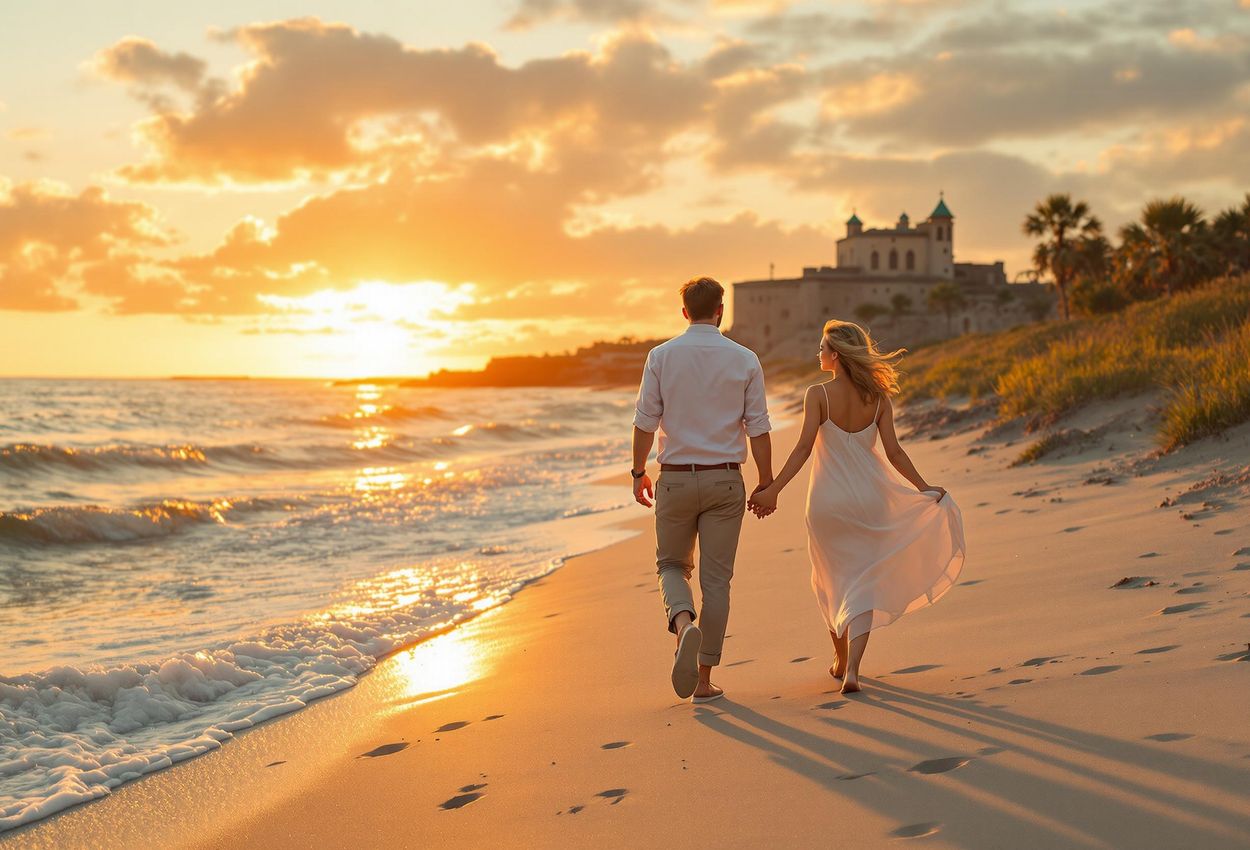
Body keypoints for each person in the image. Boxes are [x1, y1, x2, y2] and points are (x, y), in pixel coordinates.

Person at [747, 319, 965, 694]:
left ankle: (840, 658)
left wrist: (774, 490)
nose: (818, 353)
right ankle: (853, 670)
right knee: (863, 581)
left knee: (829, 579)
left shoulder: (817, 394)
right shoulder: (878, 398)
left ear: (836, 355)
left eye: (822, 348)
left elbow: (802, 450)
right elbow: (894, 452)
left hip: (827, 502)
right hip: (870, 499)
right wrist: (923, 487)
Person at [631, 276, 773, 703]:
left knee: (672, 566)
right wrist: (766, 483)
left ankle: (682, 624)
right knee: (717, 583)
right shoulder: (745, 359)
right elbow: (759, 428)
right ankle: (705, 679)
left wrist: (638, 472)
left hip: (674, 477)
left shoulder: (661, 356)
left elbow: (644, 422)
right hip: (725, 479)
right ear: (721, 310)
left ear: (684, 312)